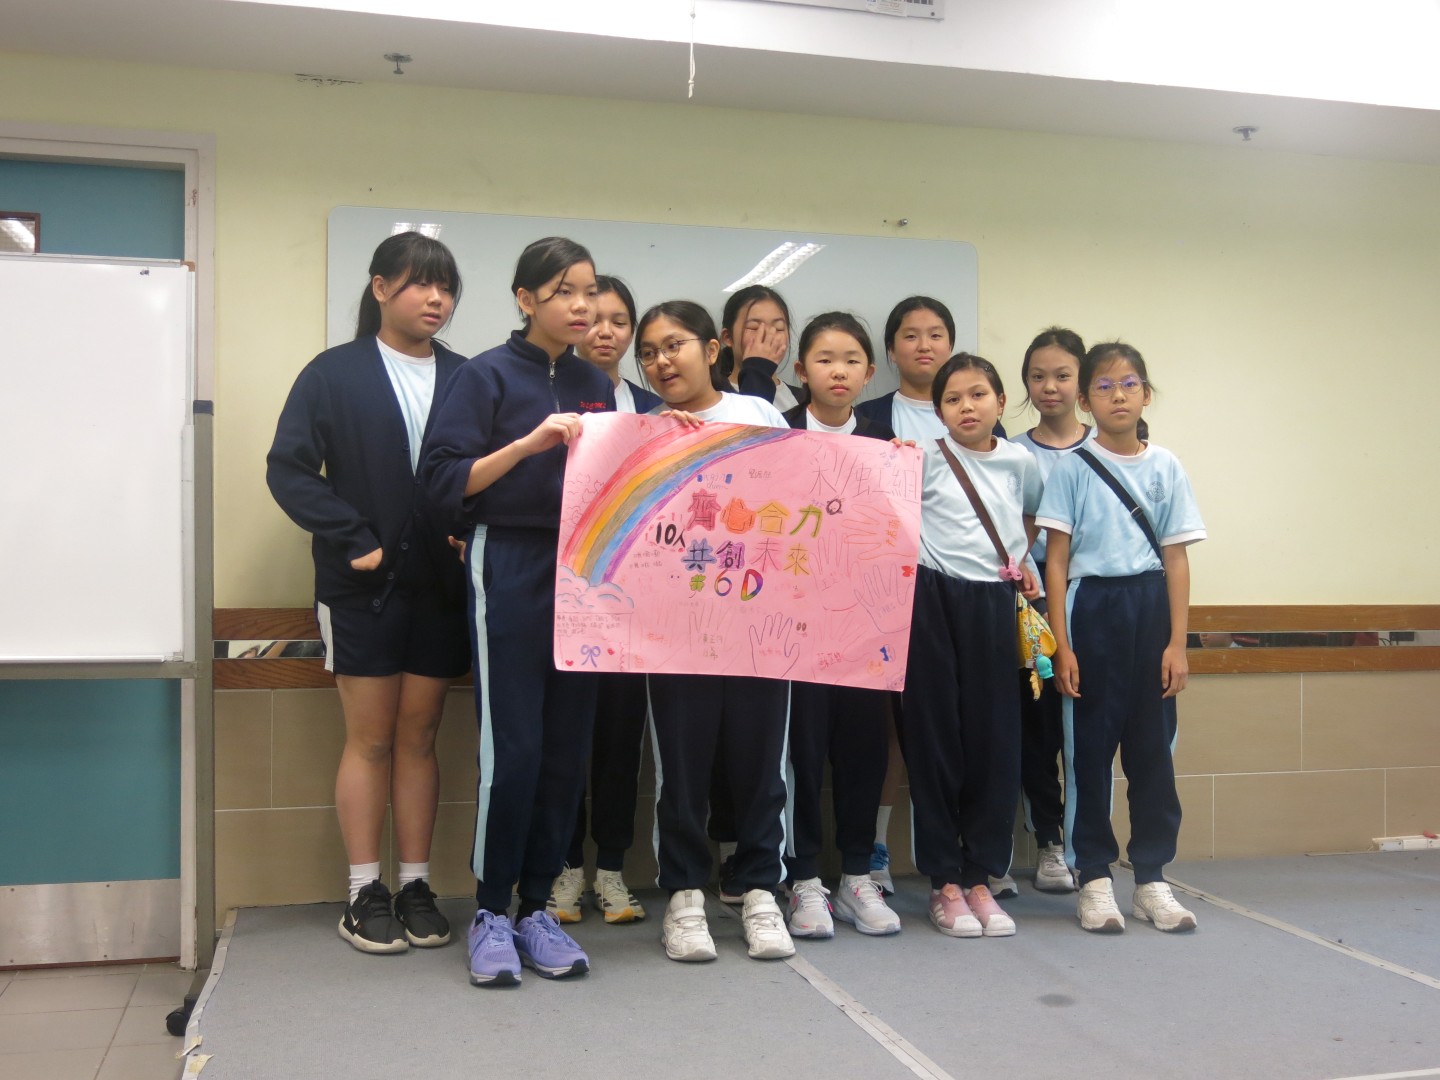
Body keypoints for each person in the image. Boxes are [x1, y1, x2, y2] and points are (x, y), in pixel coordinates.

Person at [266, 231, 469, 955]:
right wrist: (353, 536)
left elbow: (481, 473)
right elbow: (289, 469)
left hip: (440, 590)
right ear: (381, 288)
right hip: (362, 589)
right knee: (372, 738)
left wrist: (467, 532)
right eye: (420, 283)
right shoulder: (334, 373)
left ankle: (414, 885)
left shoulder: (466, 377)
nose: (436, 299)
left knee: (420, 736)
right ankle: (363, 892)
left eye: (446, 287)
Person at [419, 237, 615, 985]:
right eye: (565, 291)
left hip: (584, 568)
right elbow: (442, 482)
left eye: (589, 290)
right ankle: (491, 912)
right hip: (507, 558)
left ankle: (537, 909)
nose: (582, 305)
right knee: (516, 750)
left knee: (566, 751)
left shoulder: (596, 381)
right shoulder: (485, 375)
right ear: (526, 299)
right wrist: (529, 445)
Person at [633, 300, 796, 964]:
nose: (661, 361)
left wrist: (886, 466)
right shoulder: (641, 429)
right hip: (676, 629)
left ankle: (760, 889)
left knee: (761, 765)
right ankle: (684, 896)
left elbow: (809, 495)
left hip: (761, 622)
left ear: (710, 349)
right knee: (682, 767)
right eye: (648, 353)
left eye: (674, 345)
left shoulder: (759, 414)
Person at [1035, 342, 1205, 934]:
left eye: (1129, 384)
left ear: (1146, 394)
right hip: (1091, 610)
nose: (1118, 395)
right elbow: (1056, 563)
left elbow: (1177, 558)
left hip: (1151, 610)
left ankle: (1152, 878)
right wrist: (1063, 646)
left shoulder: (1166, 467)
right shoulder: (1071, 469)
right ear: (1085, 401)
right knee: (1088, 754)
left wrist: (1177, 643)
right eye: (1103, 387)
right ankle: (1094, 877)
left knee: (1153, 754)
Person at [903, 353, 1040, 939]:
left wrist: (1018, 560)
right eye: (953, 399)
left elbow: (1028, 518)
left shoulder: (1020, 461)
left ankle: (981, 876)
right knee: (935, 740)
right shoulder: (921, 457)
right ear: (938, 412)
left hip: (993, 603)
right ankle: (944, 883)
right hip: (930, 599)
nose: (967, 406)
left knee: (994, 740)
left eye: (979, 394)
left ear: (1001, 402)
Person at [780, 313, 901, 939]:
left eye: (851, 360)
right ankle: (803, 879)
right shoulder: (777, 434)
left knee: (862, 750)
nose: (838, 371)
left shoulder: (888, 445)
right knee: (800, 754)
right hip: (792, 627)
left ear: (868, 372)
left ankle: (856, 875)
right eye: (824, 359)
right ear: (801, 370)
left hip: (865, 626)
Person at [548, 275, 655, 925]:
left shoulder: (656, 408)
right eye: (595, 318)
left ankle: (612, 870)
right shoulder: (550, 398)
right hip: (566, 600)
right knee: (566, 741)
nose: (606, 331)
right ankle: (563, 870)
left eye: (620, 320)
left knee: (620, 743)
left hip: (636, 607)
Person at [1002, 327, 1094, 896]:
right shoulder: (1012, 453)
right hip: (1031, 609)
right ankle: (1050, 843)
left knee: (1087, 732)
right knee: (1037, 734)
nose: (1050, 386)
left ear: (1082, 382)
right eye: (1038, 377)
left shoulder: (1107, 446)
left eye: (1062, 375)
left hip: (1094, 605)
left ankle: (1091, 844)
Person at [717, 285, 804, 411]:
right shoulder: (713, 398)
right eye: (754, 327)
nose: (768, 335)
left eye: (779, 328)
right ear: (728, 337)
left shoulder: (804, 400)